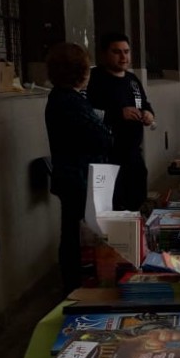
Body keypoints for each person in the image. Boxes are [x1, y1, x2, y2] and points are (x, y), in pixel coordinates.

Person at [44, 42, 113, 293]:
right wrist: (106, 128)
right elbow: (102, 137)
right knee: (77, 235)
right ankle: (76, 285)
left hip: (74, 174)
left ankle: (76, 282)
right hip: (78, 176)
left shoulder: (63, 98)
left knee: (73, 232)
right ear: (80, 72)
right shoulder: (70, 101)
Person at [86, 33, 155, 212]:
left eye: (126, 52)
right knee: (112, 211)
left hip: (133, 155)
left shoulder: (132, 80)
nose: (123, 57)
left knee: (136, 205)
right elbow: (86, 114)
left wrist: (149, 115)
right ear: (103, 54)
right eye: (117, 52)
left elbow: (145, 104)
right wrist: (117, 114)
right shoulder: (93, 79)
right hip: (106, 158)